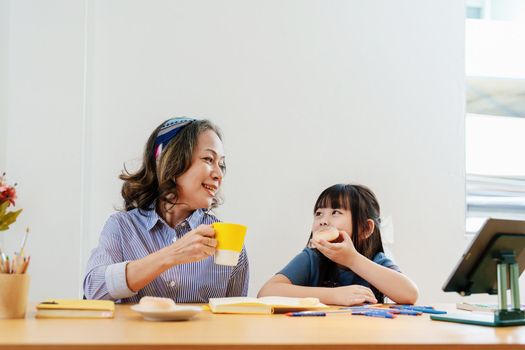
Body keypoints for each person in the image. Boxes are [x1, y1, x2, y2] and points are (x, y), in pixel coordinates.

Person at [83, 117, 249, 303]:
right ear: (172, 161)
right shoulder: (122, 227)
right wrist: (172, 255)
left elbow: (236, 318)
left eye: (221, 164)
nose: (219, 174)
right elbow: (94, 290)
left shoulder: (228, 240)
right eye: (208, 159)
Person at [258, 184, 418, 305]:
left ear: (365, 229)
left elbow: (410, 294)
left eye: (335, 212)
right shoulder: (311, 258)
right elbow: (267, 292)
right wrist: (334, 295)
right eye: (319, 214)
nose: (323, 221)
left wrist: (352, 259)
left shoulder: (375, 260)